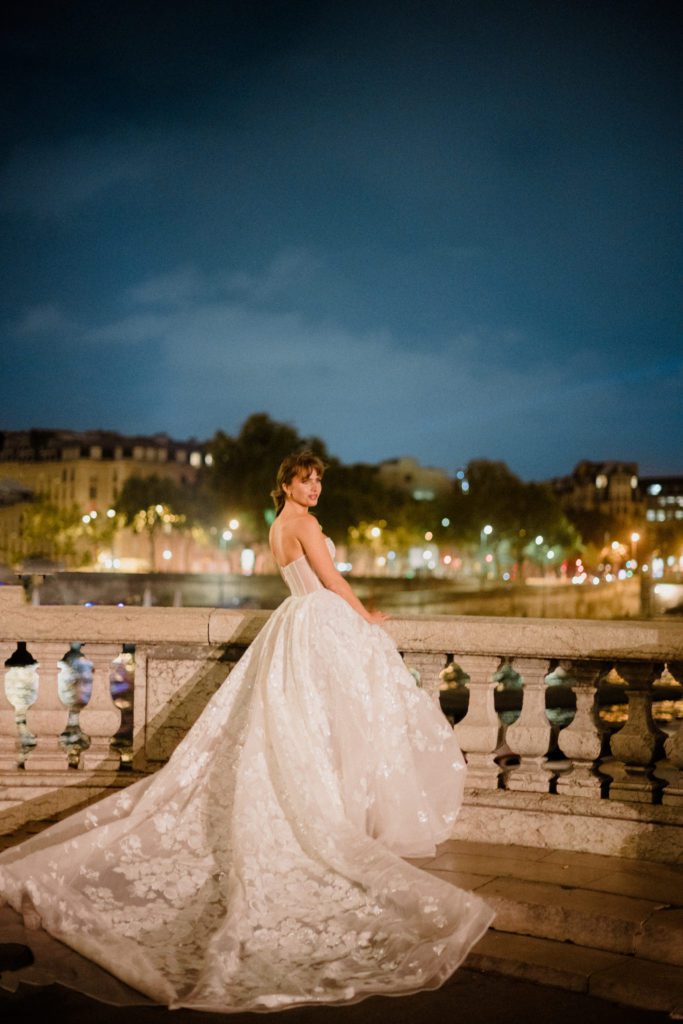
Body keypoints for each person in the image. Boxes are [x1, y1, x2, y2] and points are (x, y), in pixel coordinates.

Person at [0, 451, 493, 1012]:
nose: (315, 489)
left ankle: (333, 809)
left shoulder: (277, 526)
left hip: (294, 623)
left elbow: (306, 580)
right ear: (286, 482)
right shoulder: (303, 525)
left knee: (305, 726)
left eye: (318, 482)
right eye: (307, 481)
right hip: (321, 621)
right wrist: (367, 618)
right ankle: (343, 814)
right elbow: (330, 581)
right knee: (339, 723)